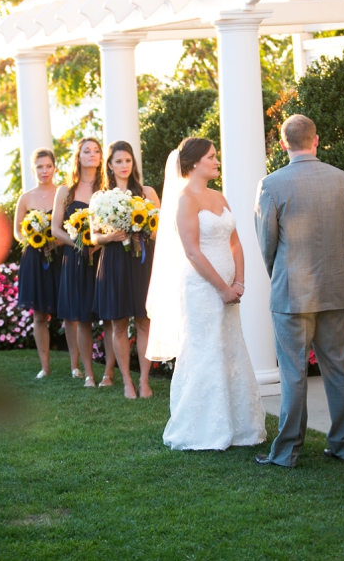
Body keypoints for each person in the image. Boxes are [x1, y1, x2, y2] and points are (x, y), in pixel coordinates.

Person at [253, 114, 344, 467]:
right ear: (316, 140)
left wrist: (279, 272)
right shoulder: (343, 179)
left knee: (293, 372)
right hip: (333, 285)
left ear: (283, 143)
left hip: (292, 291)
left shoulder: (271, 183)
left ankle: (287, 452)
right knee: (339, 367)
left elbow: (266, 242)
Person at [146, 138, 266, 450]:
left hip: (229, 288)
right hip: (201, 288)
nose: (217, 161)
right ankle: (202, 428)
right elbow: (193, 252)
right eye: (211, 157)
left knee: (230, 349)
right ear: (195, 163)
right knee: (206, 351)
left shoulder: (219, 196)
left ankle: (240, 427)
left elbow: (235, 242)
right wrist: (222, 288)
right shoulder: (185, 200)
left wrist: (239, 282)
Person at [91, 141, 160, 400]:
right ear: (109, 165)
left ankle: (144, 381)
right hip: (114, 261)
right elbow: (94, 236)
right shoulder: (99, 197)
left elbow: (159, 230)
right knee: (119, 324)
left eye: (128, 161)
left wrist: (141, 230)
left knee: (144, 321)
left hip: (141, 260)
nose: (123, 166)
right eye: (118, 161)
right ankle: (127, 382)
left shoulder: (147, 192)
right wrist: (110, 237)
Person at [52, 137, 114, 388]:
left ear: (101, 157)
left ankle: (108, 373)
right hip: (75, 258)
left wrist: (96, 245)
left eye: (96, 151)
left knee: (110, 317)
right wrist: (78, 244)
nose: (92, 155)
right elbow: (56, 229)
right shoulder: (65, 191)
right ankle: (89, 374)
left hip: (104, 256)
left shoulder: (108, 189)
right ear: (78, 156)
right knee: (82, 318)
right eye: (86, 151)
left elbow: (116, 223)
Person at [14, 148, 68, 380]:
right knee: (39, 315)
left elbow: (71, 225)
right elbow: (16, 232)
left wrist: (55, 241)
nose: (44, 171)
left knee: (69, 313)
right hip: (35, 259)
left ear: (55, 167)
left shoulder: (64, 193)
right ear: (32, 169)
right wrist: (32, 237)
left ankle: (76, 366)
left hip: (61, 256)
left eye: (48, 166)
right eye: (39, 167)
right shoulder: (26, 198)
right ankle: (45, 367)